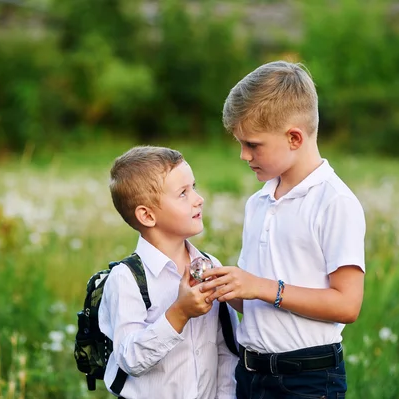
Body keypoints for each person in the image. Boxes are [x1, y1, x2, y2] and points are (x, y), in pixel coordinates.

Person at [200, 60, 366, 399]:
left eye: (253, 144)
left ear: (294, 137)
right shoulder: (258, 202)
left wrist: (261, 286)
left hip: (307, 378)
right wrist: (229, 288)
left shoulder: (334, 202)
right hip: (251, 373)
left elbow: (347, 305)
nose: (244, 155)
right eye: (240, 144)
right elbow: (257, 303)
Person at [98, 146, 238, 399]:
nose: (198, 198)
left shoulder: (209, 265)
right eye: (183, 193)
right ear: (148, 215)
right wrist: (179, 313)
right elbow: (130, 359)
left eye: (193, 186)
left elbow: (225, 348)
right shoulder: (127, 278)